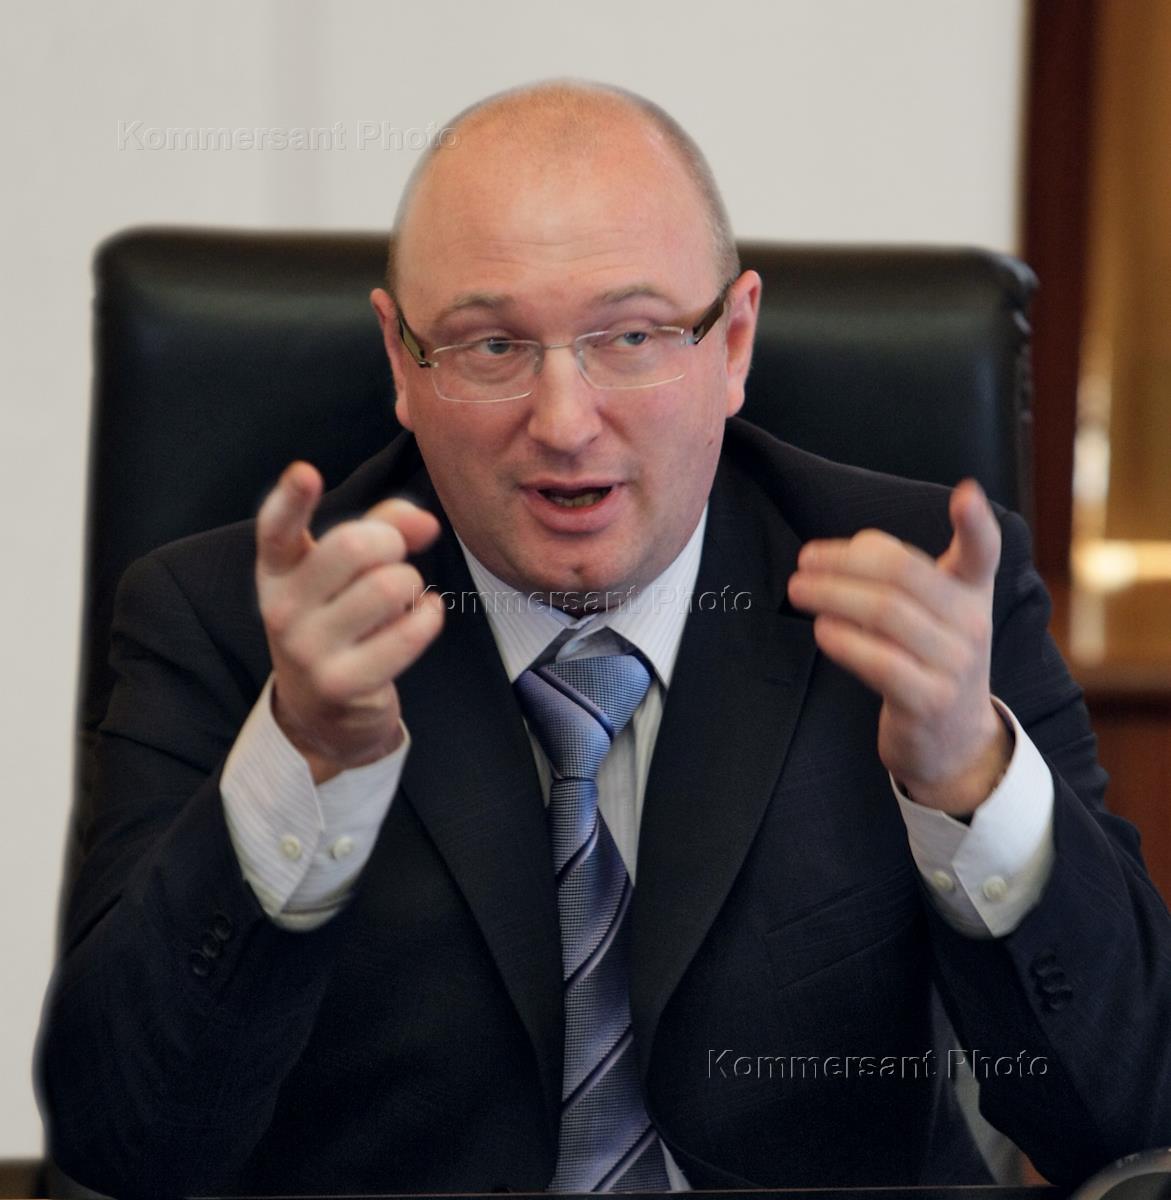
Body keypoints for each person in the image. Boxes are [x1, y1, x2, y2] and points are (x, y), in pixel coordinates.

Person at [38, 81, 1171, 1199]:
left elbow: (1130, 1121)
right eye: (490, 346)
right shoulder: (231, 627)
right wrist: (303, 764)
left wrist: (969, 780)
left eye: (631, 336)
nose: (565, 422)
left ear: (734, 342)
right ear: (401, 361)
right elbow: (122, 1145)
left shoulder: (926, 595)